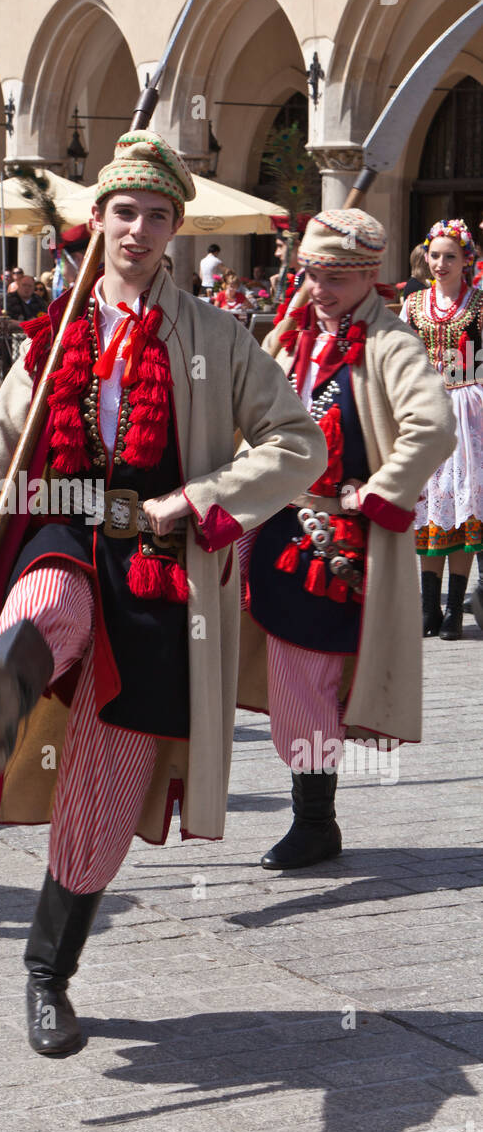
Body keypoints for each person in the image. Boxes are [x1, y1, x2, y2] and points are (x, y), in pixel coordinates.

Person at [0, 131, 326, 1056]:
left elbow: (301, 444)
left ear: (176, 229)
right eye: (123, 211)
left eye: (157, 215)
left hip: (158, 567)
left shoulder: (217, 336)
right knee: (46, 603)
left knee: (99, 799)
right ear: (96, 221)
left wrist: (199, 500)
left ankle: (48, 977)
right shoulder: (51, 336)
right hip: (60, 523)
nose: (137, 229)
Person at [240, 209, 455, 871]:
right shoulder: (292, 338)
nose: (320, 287)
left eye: (336, 277)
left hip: (340, 544)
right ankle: (312, 816)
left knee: (311, 680)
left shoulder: (392, 345)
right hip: (275, 526)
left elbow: (433, 427)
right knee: (287, 675)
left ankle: (314, 820)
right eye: (312, 273)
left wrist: (381, 492)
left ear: (370, 276)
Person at [400, 219, 483, 637]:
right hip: (426, 408)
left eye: (451, 256)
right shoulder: (414, 305)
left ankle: (454, 610)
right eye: (435, 255)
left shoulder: (480, 304)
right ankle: (429, 607)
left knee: (461, 507)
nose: (441, 263)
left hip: (470, 409)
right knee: (430, 506)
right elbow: (399, 359)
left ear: (466, 259)